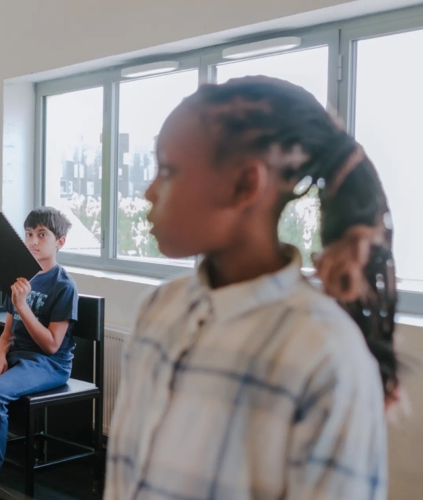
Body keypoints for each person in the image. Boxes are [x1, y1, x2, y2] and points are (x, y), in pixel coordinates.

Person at [104, 76, 397, 500]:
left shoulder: (326, 355)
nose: (149, 191)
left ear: (245, 186)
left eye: (168, 170)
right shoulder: (159, 307)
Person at [0, 207, 79, 493]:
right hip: (15, 356)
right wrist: (0, 354)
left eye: (42, 235)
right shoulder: (20, 277)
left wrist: (23, 306)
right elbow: (8, 330)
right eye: (29, 234)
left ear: (60, 242)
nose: (33, 241)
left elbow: (52, 345)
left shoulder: (63, 285)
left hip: (48, 364)